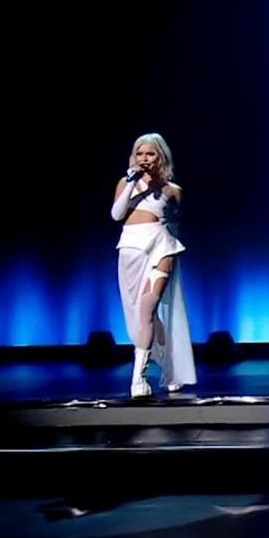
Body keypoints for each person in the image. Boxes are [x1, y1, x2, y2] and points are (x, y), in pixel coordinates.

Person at [110, 133, 196, 397]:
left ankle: (138, 378)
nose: (144, 158)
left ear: (160, 157)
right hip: (130, 250)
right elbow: (116, 215)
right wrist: (133, 183)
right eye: (140, 153)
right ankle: (169, 364)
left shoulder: (172, 190)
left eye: (150, 153)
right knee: (140, 318)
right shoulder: (126, 182)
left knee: (147, 309)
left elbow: (174, 223)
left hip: (160, 248)